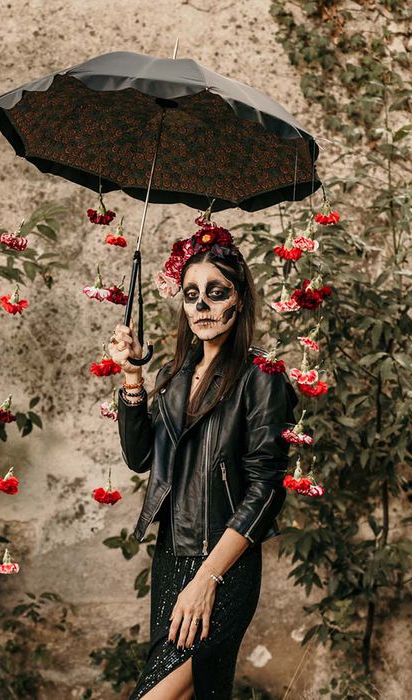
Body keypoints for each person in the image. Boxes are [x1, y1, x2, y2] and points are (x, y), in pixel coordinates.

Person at [107, 223, 299, 699]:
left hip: (224, 565)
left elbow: (266, 489)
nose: (202, 307)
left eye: (216, 293)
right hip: (172, 557)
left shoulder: (262, 378)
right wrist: (133, 377)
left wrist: (208, 578)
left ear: (240, 300)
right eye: (191, 294)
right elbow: (140, 457)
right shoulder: (174, 374)